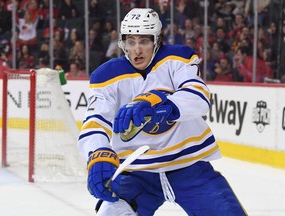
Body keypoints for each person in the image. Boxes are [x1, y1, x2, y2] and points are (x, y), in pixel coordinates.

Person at [78, 8, 247, 216]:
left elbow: (199, 96)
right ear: (123, 43)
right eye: (131, 42)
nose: (137, 50)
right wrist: (98, 153)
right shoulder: (106, 77)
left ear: (157, 41)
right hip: (137, 175)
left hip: (189, 167)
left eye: (144, 41)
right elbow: (95, 122)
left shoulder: (178, 59)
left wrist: (165, 104)